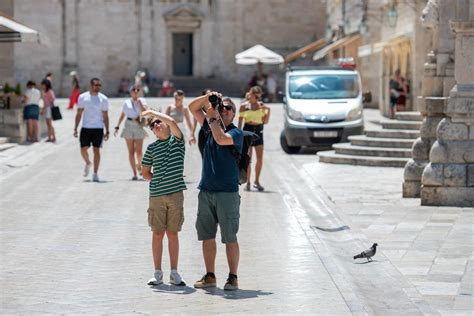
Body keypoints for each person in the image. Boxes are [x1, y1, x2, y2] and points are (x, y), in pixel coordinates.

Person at [189, 92, 244, 291]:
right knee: (207, 236)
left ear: (234, 114)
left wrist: (212, 113)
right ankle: (210, 275)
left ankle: (233, 277)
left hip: (227, 193)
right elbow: (193, 108)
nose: (225, 110)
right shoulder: (209, 124)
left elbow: (220, 138)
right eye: (223, 107)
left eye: (229, 108)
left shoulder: (236, 133)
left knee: (230, 237)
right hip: (206, 191)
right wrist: (208, 98)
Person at [141, 110, 187, 287]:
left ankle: (174, 273)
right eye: (153, 125)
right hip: (157, 195)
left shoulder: (177, 140)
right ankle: (157, 272)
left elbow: (174, 122)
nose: (156, 126)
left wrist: (153, 112)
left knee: (173, 233)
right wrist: (158, 178)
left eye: (159, 122)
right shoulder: (151, 148)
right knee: (158, 233)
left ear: (166, 124)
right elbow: (145, 173)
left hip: (175, 194)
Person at [74, 78, 110, 182]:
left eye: (99, 85)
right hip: (86, 127)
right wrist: (75, 127)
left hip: (98, 128)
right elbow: (79, 113)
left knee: (96, 150)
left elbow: (105, 115)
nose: (98, 87)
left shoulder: (103, 98)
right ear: (91, 85)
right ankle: (88, 163)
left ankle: (95, 173)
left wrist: (107, 130)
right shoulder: (83, 97)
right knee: (83, 149)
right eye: (96, 85)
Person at [238, 86, 270, 191]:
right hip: (248, 131)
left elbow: (265, 121)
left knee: (260, 159)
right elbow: (240, 123)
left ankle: (257, 181)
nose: (256, 98)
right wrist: (238, 135)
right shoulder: (244, 106)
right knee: (249, 159)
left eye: (258, 96)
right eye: (255, 95)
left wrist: (268, 110)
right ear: (250, 94)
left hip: (259, 131)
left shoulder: (261, 106)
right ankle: (248, 182)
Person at [114, 85, 148, 180]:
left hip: (138, 125)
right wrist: (117, 126)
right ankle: (134, 173)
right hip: (128, 125)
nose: (135, 92)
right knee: (131, 151)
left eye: (137, 90)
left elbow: (145, 112)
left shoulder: (142, 101)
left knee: (139, 151)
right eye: (133, 90)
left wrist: (140, 103)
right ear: (130, 92)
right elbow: (123, 114)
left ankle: (139, 165)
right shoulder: (126, 102)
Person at [191, 89, 212, 158]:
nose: (209, 96)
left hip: (213, 132)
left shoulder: (215, 108)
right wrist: (192, 135)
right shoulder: (199, 109)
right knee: (204, 156)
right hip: (203, 133)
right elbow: (194, 123)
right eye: (207, 95)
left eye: (210, 94)